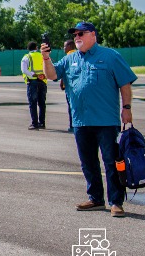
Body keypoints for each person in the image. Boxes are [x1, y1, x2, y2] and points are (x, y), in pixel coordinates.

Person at [42, 22, 137, 218]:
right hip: (81, 121)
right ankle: (95, 198)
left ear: (92, 35)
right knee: (88, 163)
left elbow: (125, 84)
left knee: (111, 162)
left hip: (106, 121)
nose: (77, 37)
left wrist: (126, 108)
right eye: (75, 34)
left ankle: (116, 202)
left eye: (81, 33)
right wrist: (46, 57)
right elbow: (51, 74)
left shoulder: (110, 56)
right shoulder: (70, 59)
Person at [21, 41, 48, 130]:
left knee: (33, 103)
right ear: (36, 48)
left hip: (32, 82)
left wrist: (33, 75)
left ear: (28, 49)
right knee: (42, 103)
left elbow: (24, 70)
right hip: (43, 81)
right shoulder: (42, 56)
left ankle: (34, 123)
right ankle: (42, 123)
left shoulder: (27, 57)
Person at [60, 39, 76, 133]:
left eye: (65, 46)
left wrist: (62, 82)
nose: (63, 48)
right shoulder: (79, 54)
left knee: (71, 107)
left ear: (70, 46)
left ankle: (73, 126)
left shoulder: (69, 56)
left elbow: (65, 71)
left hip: (70, 87)